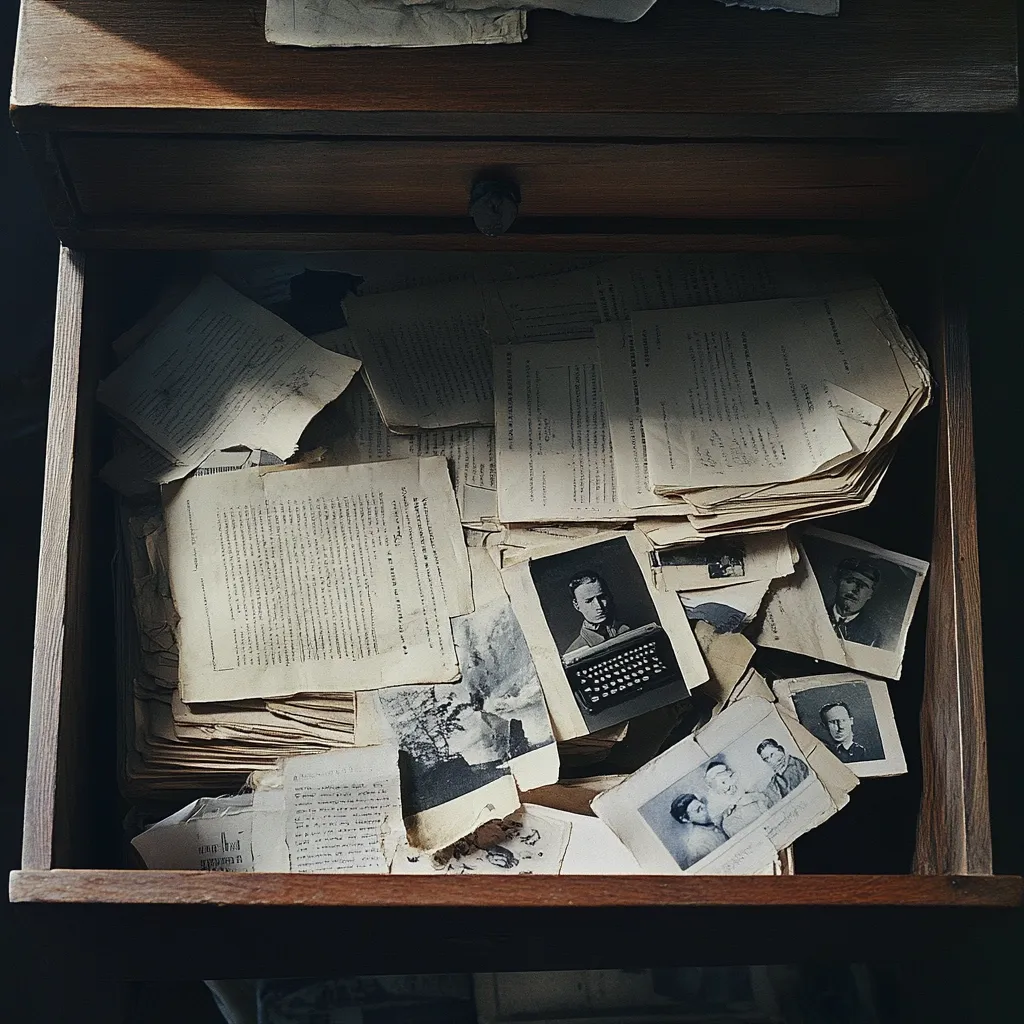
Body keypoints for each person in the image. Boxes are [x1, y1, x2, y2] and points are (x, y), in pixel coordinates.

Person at [563, 571, 631, 655]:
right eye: (589, 601)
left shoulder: (630, 628)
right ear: (577, 606)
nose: (599, 606)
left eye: (601, 597)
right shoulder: (573, 652)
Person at [703, 761, 770, 839]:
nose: (727, 787)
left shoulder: (755, 797)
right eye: (722, 783)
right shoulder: (726, 821)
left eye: (726, 781)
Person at [828, 557, 885, 647]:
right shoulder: (815, 613)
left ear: (870, 594)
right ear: (839, 581)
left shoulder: (873, 635)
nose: (855, 590)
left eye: (863, 586)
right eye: (851, 581)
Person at [668, 793, 728, 869]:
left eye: (702, 805)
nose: (705, 809)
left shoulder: (717, 821)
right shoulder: (697, 845)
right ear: (686, 819)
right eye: (699, 810)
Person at [757, 738, 810, 804]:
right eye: (766, 759)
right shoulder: (775, 778)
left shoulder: (796, 766)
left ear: (780, 750)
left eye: (772, 754)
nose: (770, 761)